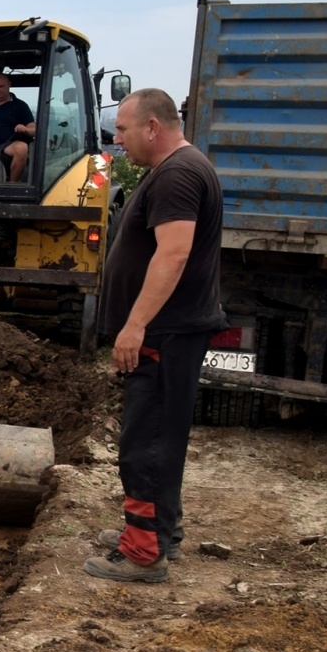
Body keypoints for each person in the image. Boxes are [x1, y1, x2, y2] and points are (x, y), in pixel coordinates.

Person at [86, 88, 225, 583]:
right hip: (170, 332)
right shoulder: (176, 170)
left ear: (151, 127)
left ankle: (144, 550)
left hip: (164, 333)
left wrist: (136, 323)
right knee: (160, 436)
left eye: (122, 129)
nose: (117, 139)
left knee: (145, 441)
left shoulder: (179, 175)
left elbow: (173, 254)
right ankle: (159, 529)